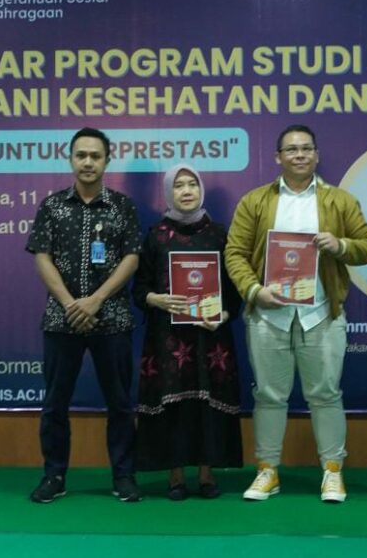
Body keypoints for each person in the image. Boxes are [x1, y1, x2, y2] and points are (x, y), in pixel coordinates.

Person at [225, 124, 367, 503]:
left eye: (306, 148)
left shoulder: (339, 200)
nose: (299, 155)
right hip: (268, 315)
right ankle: (268, 471)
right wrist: (255, 291)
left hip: (321, 314)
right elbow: (235, 253)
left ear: (317, 155)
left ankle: (332, 472)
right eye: (291, 149)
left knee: (326, 394)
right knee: (269, 396)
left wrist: (341, 245)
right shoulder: (255, 201)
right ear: (278, 157)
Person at [25, 127, 143, 503]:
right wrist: (70, 303)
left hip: (113, 318)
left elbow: (132, 258)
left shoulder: (123, 206)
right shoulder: (52, 206)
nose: (88, 162)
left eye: (95, 156)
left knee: (120, 404)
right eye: (81, 155)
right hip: (62, 319)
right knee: (54, 404)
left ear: (107, 160)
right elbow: (42, 256)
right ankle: (54, 476)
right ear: (71, 159)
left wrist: (96, 300)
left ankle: (123, 476)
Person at [132, 164, 244, 501]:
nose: (186, 191)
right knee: (174, 405)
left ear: (201, 190)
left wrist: (224, 314)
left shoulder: (220, 235)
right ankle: (176, 475)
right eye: (178, 185)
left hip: (210, 335)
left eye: (192, 184)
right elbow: (139, 289)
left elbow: (234, 291)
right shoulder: (155, 236)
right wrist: (156, 299)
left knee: (206, 403)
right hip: (167, 337)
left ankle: (207, 474)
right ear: (169, 192)